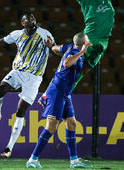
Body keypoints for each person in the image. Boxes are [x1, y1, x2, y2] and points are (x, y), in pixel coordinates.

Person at [0, 12, 55, 158]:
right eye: (28, 19)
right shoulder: (16, 34)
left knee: (20, 111)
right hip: (18, 71)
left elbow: (54, 49)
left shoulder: (44, 33)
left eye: (33, 17)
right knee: (0, 90)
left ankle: (9, 148)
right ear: (23, 23)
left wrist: (51, 46)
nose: (32, 20)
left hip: (34, 77)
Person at [27, 33, 92, 169]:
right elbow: (66, 63)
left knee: (72, 124)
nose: (89, 42)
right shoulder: (75, 52)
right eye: (88, 41)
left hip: (65, 94)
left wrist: (51, 46)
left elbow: (56, 49)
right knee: (51, 126)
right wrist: (82, 52)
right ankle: (33, 159)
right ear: (84, 44)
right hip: (56, 92)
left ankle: (74, 161)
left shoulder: (69, 47)